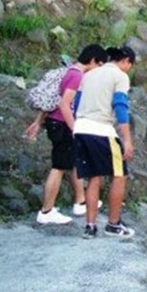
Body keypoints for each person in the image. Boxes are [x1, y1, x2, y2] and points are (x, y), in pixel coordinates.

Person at [29, 44, 108, 225]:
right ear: (93, 60)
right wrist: (75, 129)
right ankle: (46, 211)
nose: (98, 70)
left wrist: (38, 121)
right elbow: (64, 104)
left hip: (56, 122)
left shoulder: (70, 71)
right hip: (62, 124)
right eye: (99, 65)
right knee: (58, 167)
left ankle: (80, 202)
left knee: (72, 162)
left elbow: (54, 99)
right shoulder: (76, 76)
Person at [72, 45, 137, 239]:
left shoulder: (88, 75)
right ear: (126, 61)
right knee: (119, 174)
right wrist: (127, 139)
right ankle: (113, 224)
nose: (129, 69)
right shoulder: (120, 76)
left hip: (81, 128)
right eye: (130, 65)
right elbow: (120, 106)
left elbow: (76, 103)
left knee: (94, 176)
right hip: (101, 131)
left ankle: (90, 226)